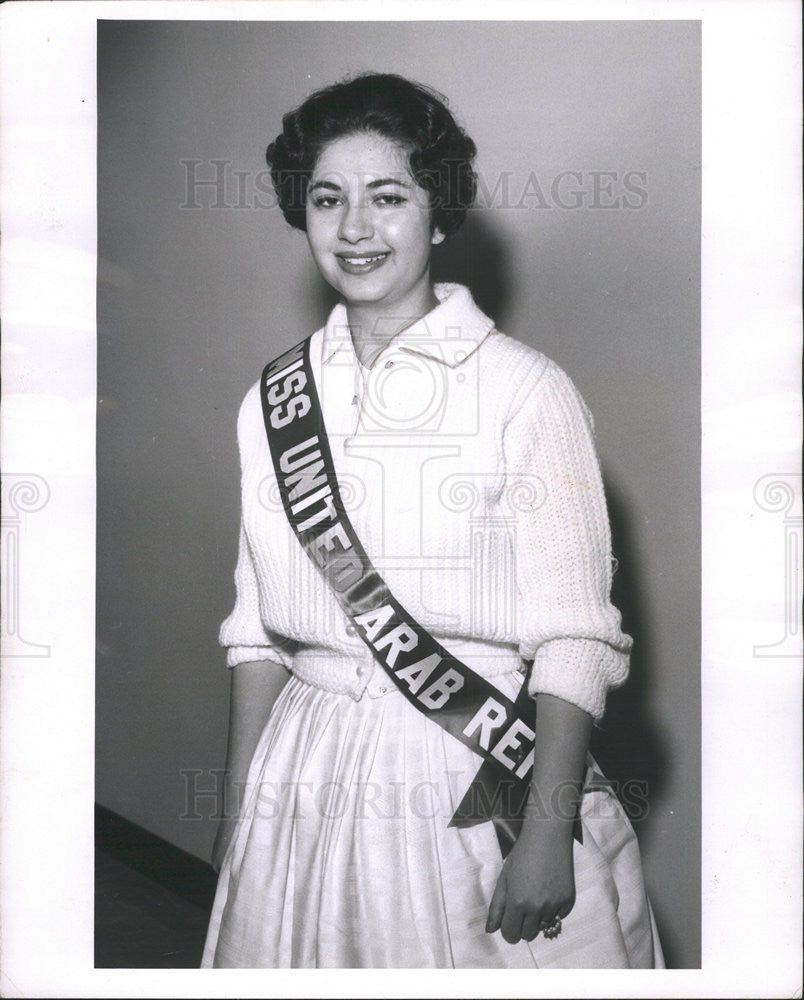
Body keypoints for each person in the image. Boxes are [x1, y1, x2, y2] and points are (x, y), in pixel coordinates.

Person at [201, 72, 663, 969]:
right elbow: (256, 635)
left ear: (439, 215)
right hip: (302, 771)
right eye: (327, 199)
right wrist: (237, 814)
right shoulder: (273, 398)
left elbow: (576, 639)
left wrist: (544, 835)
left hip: (467, 774)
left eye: (389, 198)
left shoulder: (524, 389)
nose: (354, 229)